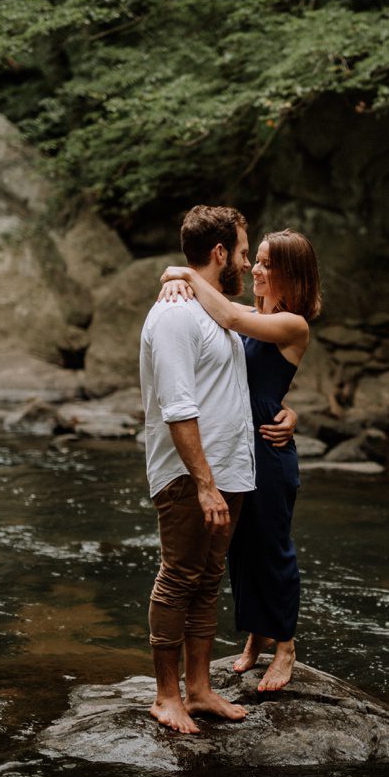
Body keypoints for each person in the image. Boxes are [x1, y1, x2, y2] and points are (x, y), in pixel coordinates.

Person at [139, 204, 287, 734]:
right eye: (245, 253)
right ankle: (165, 696)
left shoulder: (210, 310)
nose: (248, 265)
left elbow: (238, 389)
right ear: (220, 252)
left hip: (229, 472)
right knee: (178, 577)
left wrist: (288, 416)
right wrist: (203, 484)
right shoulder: (177, 313)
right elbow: (179, 407)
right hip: (190, 476)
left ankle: (199, 691)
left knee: (206, 582)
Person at [158, 227, 321, 692]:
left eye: (267, 264)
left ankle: (285, 648)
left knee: (271, 548)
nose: (254, 268)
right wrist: (176, 279)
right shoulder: (252, 313)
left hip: (269, 453)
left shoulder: (293, 324)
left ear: (291, 275)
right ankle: (256, 638)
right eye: (257, 259)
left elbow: (226, 317)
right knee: (240, 550)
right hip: (235, 451)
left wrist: (181, 272)